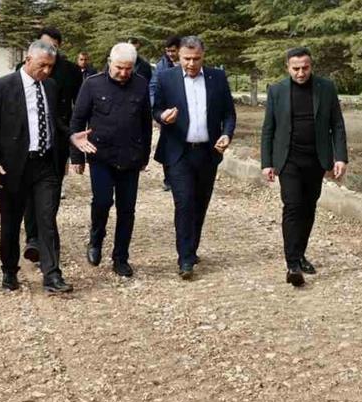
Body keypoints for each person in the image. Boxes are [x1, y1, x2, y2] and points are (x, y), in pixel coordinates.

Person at [0, 40, 73, 294]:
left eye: (51, 66)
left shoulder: (50, 86)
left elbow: (55, 121)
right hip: (13, 166)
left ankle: (52, 274)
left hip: (45, 164)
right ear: (28, 60)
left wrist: (71, 136)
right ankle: (9, 270)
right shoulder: (2, 87)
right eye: (42, 65)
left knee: (47, 219)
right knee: (11, 222)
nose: (46, 71)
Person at [260, 47, 348, 286]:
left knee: (308, 208)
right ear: (287, 68)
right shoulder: (277, 90)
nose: (301, 73)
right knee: (293, 206)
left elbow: (337, 124)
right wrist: (267, 162)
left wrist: (340, 157)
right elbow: (268, 128)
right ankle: (292, 265)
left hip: (316, 159)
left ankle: (299, 254)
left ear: (311, 66)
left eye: (305, 68)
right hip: (288, 159)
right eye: (296, 68)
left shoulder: (326, 88)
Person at [152, 36, 236, 279]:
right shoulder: (166, 78)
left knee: (200, 203)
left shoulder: (217, 78)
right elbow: (155, 108)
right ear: (178, 56)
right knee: (184, 203)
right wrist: (163, 116)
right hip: (178, 152)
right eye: (186, 59)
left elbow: (229, 113)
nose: (191, 64)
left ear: (203, 56)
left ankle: (192, 247)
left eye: (196, 59)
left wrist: (226, 134)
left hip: (208, 152)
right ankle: (185, 259)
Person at [69, 43, 153, 277]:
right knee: (102, 201)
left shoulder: (141, 84)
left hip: (130, 157)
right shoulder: (92, 84)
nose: (124, 73)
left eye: (128, 68)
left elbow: (146, 123)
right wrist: (77, 156)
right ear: (109, 63)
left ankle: (121, 257)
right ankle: (96, 240)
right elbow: (77, 122)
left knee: (127, 209)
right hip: (101, 156)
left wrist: (144, 156)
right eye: (119, 68)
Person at [21, 27, 80, 265]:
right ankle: (33, 238)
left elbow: (77, 107)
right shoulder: (21, 73)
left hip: (57, 140)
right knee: (29, 197)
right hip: (27, 146)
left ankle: (48, 255)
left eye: (52, 46)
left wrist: (74, 139)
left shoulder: (70, 72)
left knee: (49, 197)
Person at [151, 35, 182, 192]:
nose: (170, 54)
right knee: (167, 145)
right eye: (168, 51)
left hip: (185, 111)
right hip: (167, 113)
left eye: (173, 51)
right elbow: (153, 87)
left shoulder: (189, 62)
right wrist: (157, 111)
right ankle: (168, 179)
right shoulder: (161, 66)